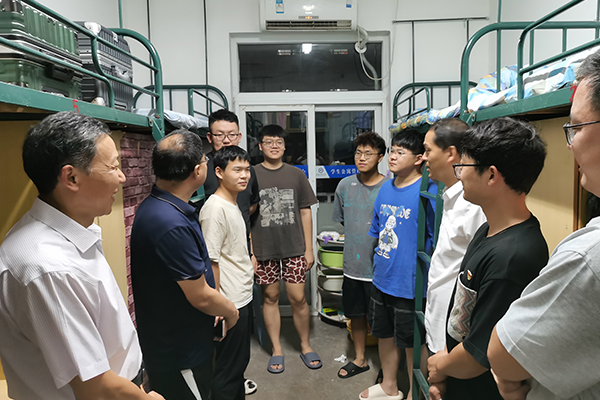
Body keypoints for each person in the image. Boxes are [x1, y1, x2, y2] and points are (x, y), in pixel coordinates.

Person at [0, 112, 163, 400]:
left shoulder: (71, 232)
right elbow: (95, 387)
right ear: (71, 177)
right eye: (113, 167)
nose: (122, 177)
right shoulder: (47, 267)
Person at [488, 50, 600, 400]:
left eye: (576, 128)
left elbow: (504, 354)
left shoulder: (587, 256)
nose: (569, 146)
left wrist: (506, 379)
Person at [427, 117, 549, 400]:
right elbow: (463, 316)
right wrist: (446, 369)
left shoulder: (513, 257)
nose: (459, 174)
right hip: (458, 377)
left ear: (491, 175)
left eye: (464, 166)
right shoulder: (487, 230)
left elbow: (478, 355)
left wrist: (439, 366)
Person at [131, 129, 239, 400]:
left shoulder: (162, 208)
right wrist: (230, 311)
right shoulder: (170, 223)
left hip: (181, 341)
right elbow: (200, 295)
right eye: (204, 159)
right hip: (179, 354)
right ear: (197, 171)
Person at [359, 129, 436, 400]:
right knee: (384, 334)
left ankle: (416, 392)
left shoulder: (428, 191)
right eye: (392, 150)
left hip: (410, 282)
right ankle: (389, 386)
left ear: (418, 158)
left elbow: (436, 239)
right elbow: (378, 231)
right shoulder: (386, 188)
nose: (392, 156)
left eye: (400, 152)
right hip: (383, 277)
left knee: (413, 341)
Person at [250, 124, 320, 373]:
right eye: (269, 142)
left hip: (294, 247)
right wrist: (251, 252)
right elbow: (246, 214)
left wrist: (309, 249)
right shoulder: (251, 174)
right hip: (264, 248)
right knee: (270, 297)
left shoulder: (296, 174)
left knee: (298, 298)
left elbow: (305, 212)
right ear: (260, 146)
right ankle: (276, 349)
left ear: (284, 146)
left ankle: (305, 345)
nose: (274, 146)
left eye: (279, 142)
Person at [204, 109, 259, 395]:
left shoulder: (233, 203)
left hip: (241, 293)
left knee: (237, 366)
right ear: (219, 172)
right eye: (237, 170)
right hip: (229, 301)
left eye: (247, 170)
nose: (244, 175)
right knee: (227, 371)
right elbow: (210, 261)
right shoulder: (214, 209)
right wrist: (218, 304)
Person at [422, 119, 487, 355]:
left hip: (454, 334)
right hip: (440, 321)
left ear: (450, 153)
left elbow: (478, 278)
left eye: (428, 150)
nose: (423, 158)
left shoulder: (472, 206)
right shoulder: (451, 196)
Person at [332, 132, 389, 379]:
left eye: (368, 153)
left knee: (384, 321)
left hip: (381, 269)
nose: (361, 158)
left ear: (381, 157)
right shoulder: (344, 186)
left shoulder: (389, 187)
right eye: (358, 153)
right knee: (355, 315)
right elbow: (344, 221)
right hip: (352, 267)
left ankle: (387, 368)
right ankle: (360, 359)